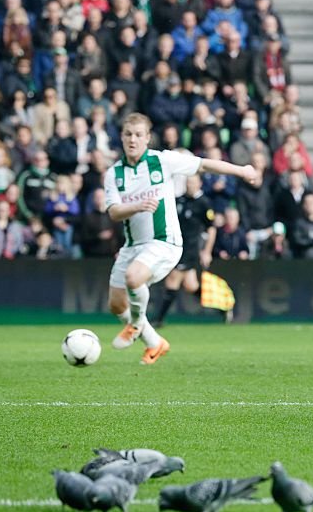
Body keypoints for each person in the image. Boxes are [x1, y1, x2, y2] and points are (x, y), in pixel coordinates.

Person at [104, 113, 257, 365]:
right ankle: (155, 343)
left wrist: (241, 170)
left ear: (147, 138)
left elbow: (204, 164)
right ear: (122, 137)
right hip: (133, 245)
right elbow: (113, 212)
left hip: (164, 242)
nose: (133, 139)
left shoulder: (163, 161)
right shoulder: (114, 174)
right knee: (115, 303)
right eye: (128, 134)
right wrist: (138, 206)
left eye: (138, 135)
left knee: (134, 278)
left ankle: (135, 326)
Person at [151, 173, 219, 328]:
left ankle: (159, 319)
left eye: (193, 182)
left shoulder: (204, 203)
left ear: (200, 184)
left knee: (172, 280)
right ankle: (222, 307)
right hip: (175, 246)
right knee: (191, 285)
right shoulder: (179, 200)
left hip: (189, 249)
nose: (190, 185)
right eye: (188, 182)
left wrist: (206, 251)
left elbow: (212, 229)